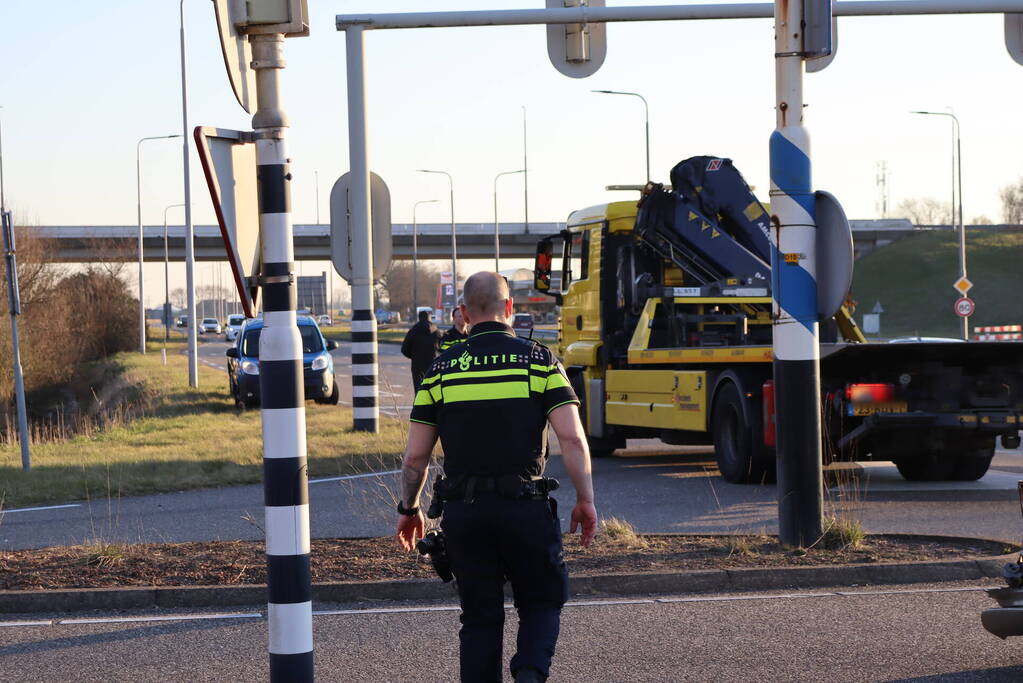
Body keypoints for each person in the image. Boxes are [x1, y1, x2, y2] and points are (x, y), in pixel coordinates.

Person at [396, 271, 597, 683]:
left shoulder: (441, 369)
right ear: (509, 308)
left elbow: (416, 457)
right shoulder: (539, 361)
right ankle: (528, 674)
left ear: (465, 314)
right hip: (525, 510)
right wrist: (585, 499)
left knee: (480, 618)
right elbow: (573, 441)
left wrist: (409, 508)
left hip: (465, 515)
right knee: (541, 603)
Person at [401, 309, 443, 390]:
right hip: (433, 364)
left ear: (419, 318)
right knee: (433, 388)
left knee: (419, 388)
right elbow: (442, 348)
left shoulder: (413, 331)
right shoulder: (436, 331)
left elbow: (404, 349)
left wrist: (413, 356)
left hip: (417, 365)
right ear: (429, 318)